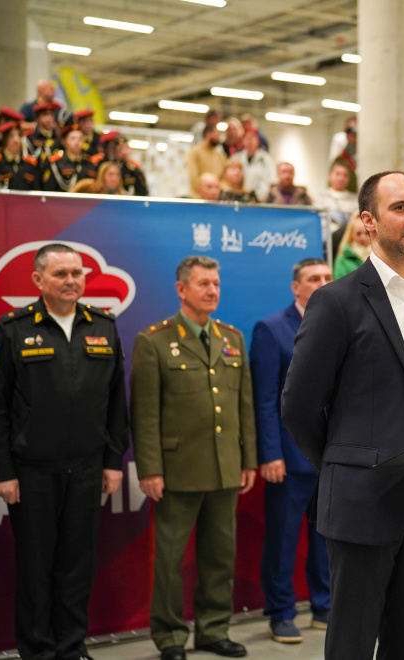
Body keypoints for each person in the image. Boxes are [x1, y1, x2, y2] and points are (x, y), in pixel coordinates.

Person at [280, 170, 404, 659]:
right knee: (353, 642)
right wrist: (342, 462)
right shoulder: (336, 301)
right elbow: (298, 405)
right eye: (400, 208)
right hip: (363, 497)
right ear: (368, 221)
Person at [0, 243, 129, 660]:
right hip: (31, 472)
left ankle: (71, 646)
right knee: (35, 567)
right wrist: (2, 469)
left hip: (86, 468)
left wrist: (113, 461)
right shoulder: (12, 328)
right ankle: (38, 651)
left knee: (77, 564)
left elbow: (116, 401)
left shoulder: (104, 326)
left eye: (77, 273)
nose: (71, 281)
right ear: (38, 280)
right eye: (61, 274)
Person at [130, 256, 258, 660]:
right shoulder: (154, 340)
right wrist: (150, 468)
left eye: (216, 283)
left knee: (219, 556)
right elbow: (145, 414)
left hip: (224, 466)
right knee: (169, 560)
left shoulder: (231, 338)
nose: (212, 291)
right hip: (177, 470)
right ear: (181, 289)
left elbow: (244, 405)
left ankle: (213, 630)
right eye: (203, 283)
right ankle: (169, 636)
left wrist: (248, 459)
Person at [250, 259, 333, 644]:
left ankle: (324, 605)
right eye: (314, 279)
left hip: (330, 455)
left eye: (328, 278)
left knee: (325, 539)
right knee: (283, 541)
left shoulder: (339, 323)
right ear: (295, 287)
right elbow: (265, 399)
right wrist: (270, 453)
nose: (323, 283)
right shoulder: (271, 329)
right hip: (288, 456)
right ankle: (280, 612)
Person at [312, 162, 359, 255]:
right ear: (329, 176)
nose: (341, 178)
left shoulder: (355, 200)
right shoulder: (321, 198)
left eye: (345, 175)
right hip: (327, 241)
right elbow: (317, 222)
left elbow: (357, 222)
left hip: (350, 240)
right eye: (338, 174)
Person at [40, 124, 98, 192]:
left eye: (80, 139)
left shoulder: (89, 162)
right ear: (64, 141)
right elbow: (49, 188)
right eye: (72, 138)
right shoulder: (56, 163)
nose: (77, 142)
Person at [0, 123, 40, 190]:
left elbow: (36, 189)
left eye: (19, 135)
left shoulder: (30, 164)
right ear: (5, 139)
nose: (16, 140)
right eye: (11, 136)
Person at [232, 129, 276, 201]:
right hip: (239, 198)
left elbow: (271, 180)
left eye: (252, 138)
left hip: (260, 199)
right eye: (247, 138)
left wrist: (263, 196)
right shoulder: (236, 157)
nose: (250, 141)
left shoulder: (266, 159)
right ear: (242, 141)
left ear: (258, 141)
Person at [187, 125, 227, 197]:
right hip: (198, 198)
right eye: (217, 133)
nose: (219, 137)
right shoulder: (195, 152)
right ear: (208, 134)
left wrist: (215, 190)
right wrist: (205, 190)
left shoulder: (220, 156)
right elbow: (193, 176)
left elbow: (224, 177)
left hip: (216, 198)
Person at [333, 212, 371, 279]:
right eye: (358, 233)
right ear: (351, 234)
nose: (363, 238)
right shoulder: (342, 260)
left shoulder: (380, 255)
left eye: (366, 233)